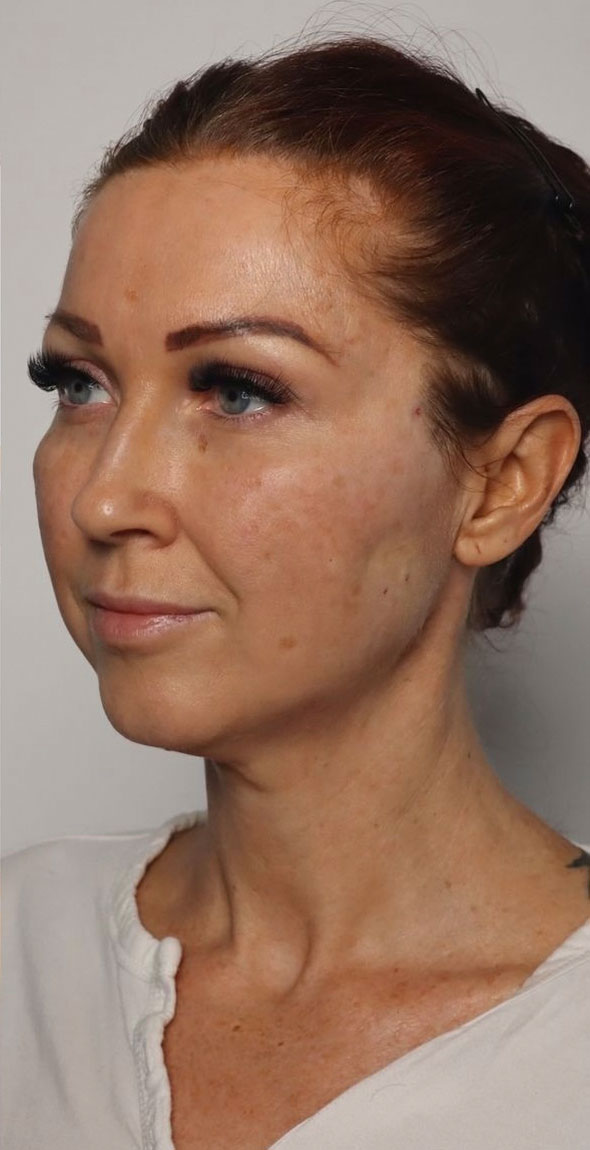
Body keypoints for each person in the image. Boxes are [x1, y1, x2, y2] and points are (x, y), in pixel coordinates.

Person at [2, 31, 589, 1150]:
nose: (107, 497)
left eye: (235, 389)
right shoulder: (18, 950)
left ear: (500, 483)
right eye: (78, 383)